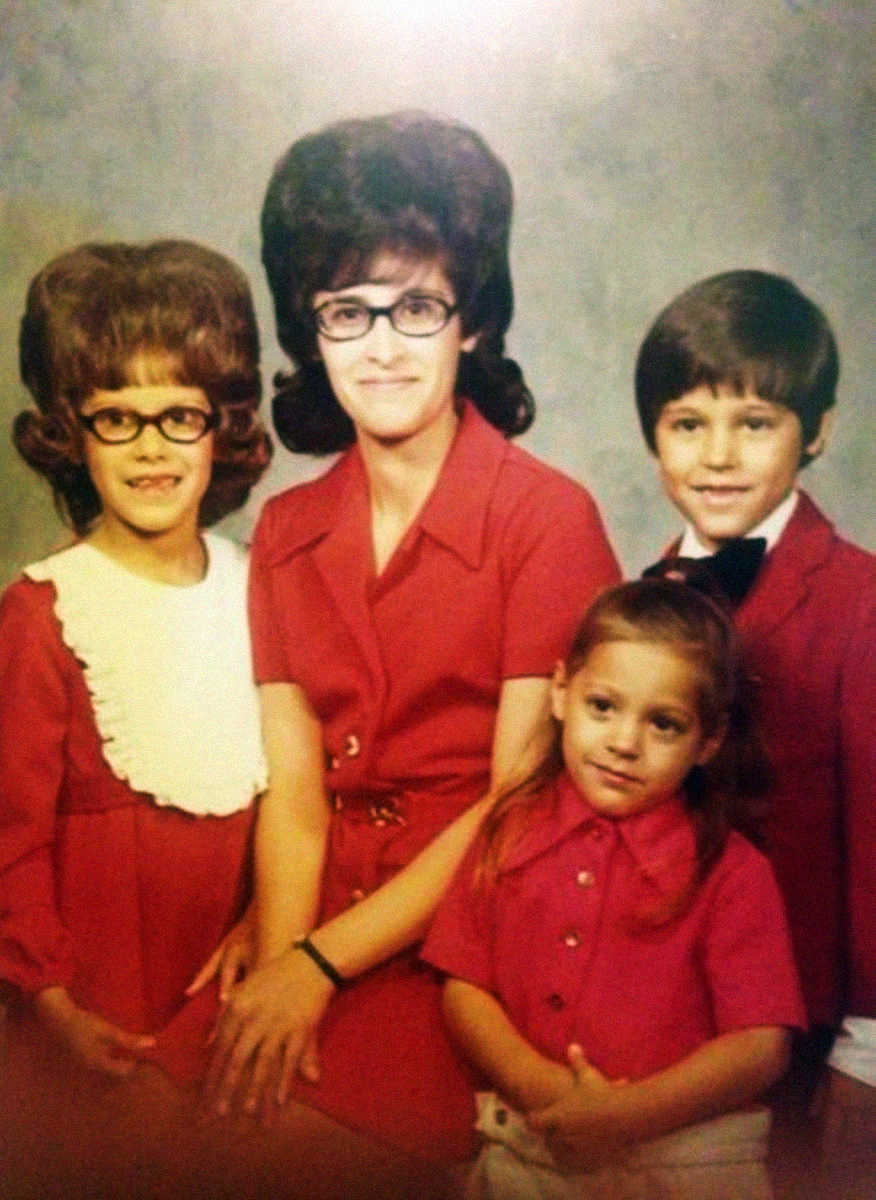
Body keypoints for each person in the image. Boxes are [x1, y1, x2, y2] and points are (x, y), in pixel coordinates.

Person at [197, 112, 621, 1177]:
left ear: (471, 322)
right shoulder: (288, 533)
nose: (381, 345)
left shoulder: (546, 519)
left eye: (417, 306)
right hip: (322, 913)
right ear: (312, 329)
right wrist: (280, 980)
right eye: (348, 311)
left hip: (467, 940)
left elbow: (519, 800)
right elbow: (295, 796)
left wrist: (319, 970)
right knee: (194, 1117)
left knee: (304, 1159)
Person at [0, 240, 272, 1192]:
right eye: (117, 418)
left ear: (221, 428)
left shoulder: (264, 588)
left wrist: (271, 916)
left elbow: (307, 800)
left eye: (179, 415)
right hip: (89, 1000)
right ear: (73, 433)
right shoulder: (44, 609)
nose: (151, 447)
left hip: (226, 993)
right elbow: (8, 842)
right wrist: (52, 1003)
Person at [423, 577, 805, 1200]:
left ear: (708, 741)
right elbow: (464, 986)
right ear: (560, 694)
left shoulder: (733, 871)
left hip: (687, 1162)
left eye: (664, 724)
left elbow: (761, 1047)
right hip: (530, 1142)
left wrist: (626, 1117)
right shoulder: (508, 831)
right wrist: (544, 1090)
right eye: (603, 707)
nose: (625, 744)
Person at [633, 269, 876, 1197]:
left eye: (756, 423)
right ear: (654, 436)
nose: (719, 456)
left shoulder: (860, 600)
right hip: (666, 1018)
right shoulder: (641, 599)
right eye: (689, 424)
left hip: (811, 1034)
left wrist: (867, 1044)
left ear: (815, 432)